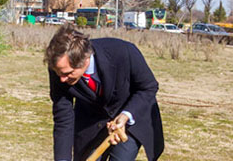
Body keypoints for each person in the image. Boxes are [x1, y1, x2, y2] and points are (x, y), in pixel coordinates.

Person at [44, 26, 164, 161]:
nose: (62, 79)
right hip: (91, 122)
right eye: (59, 74)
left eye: (68, 73)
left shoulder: (124, 52)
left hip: (129, 119)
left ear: (85, 59)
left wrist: (126, 115)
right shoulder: (60, 69)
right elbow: (63, 116)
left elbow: (148, 87)